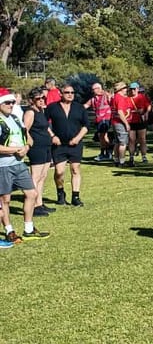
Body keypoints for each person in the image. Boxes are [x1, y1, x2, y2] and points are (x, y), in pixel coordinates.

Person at [0, 89, 49, 243]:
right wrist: (16, 150)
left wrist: (26, 147)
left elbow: (29, 139)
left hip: (19, 164)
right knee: (5, 200)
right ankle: (9, 231)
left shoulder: (15, 118)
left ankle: (28, 229)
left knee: (32, 194)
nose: (11, 105)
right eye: (7, 102)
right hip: (3, 166)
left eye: (12, 102)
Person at [46, 83, 88, 207]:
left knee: (75, 169)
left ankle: (76, 196)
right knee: (59, 172)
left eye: (72, 93)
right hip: (59, 145)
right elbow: (44, 123)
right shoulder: (52, 107)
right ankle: (60, 192)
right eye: (67, 92)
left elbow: (86, 126)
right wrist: (52, 136)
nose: (70, 95)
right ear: (61, 94)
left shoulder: (79, 108)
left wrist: (77, 138)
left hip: (75, 144)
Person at [22, 88, 55, 217]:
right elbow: (25, 129)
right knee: (35, 176)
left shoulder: (41, 111)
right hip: (37, 147)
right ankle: (33, 205)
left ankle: (39, 203)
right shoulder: (30, 112)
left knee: (43, 176)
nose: (41, 100)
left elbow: (46, 126)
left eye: (43, 98)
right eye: (38, 99)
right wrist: (29, 141)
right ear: (31, 100)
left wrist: (52, 136)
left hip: (46, 145)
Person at [87, 81, 113, 160]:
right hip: (99, 120)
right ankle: (107, 152)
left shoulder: (106, 96)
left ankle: (106, 153)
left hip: (105, 119)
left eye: (93, 89)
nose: (92, 91)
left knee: (102, 136)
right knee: (102, 136)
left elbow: (113, 104)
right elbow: (86, 105)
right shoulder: (93, 99)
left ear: (98, 89)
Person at [110, 81, 134, 166]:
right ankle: (122, 161)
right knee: (123, 143)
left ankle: (116, 160)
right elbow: (120, 112)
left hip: (115, 121)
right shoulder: (120, 98)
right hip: (120, 122)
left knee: (117, 142)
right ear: (121, 89)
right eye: (124, 88)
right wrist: (126, 123)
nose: (126, 89)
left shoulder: (115, 97)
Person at [129, 83, 152, 163]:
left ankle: (144, 156)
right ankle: (131, 157)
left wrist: (146, 113)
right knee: (132, 140)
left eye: (134, 89)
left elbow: (148, 106)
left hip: (140, 121)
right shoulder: (128, 98)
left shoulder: (142, 97)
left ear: (137, 89)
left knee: (142, 139)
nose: (132, 91)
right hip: (130, 121)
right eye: (131, 89)